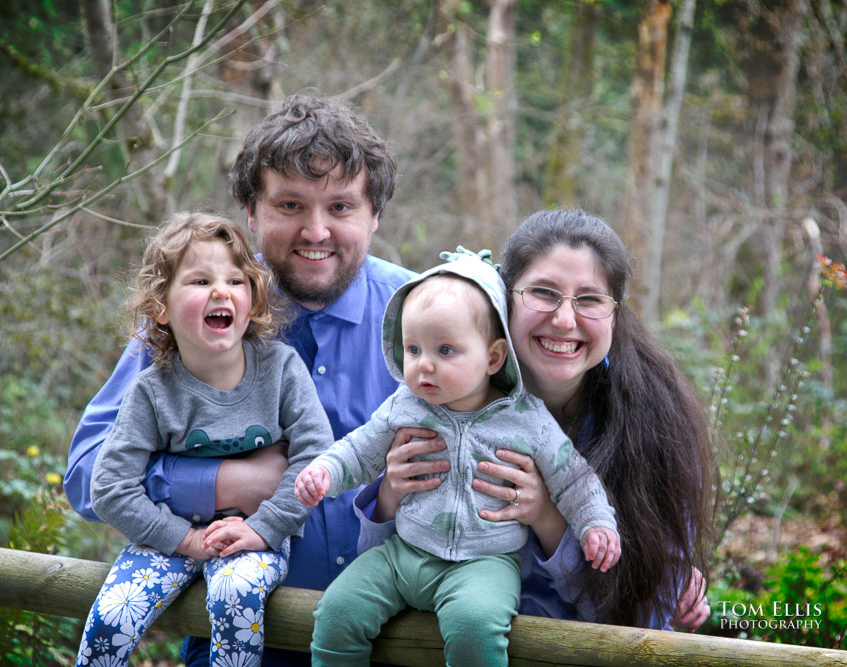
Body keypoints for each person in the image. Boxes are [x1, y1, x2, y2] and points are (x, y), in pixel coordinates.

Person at [63, 94, 414, 665]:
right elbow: (86, 474)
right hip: (239, 642)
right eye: (291, 204)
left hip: (402, 645)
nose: (316, 230)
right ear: (251, 213)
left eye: (342, 207)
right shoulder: (196, 314)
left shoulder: (426, 315)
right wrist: (226, 482)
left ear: (376, 214)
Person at [362, 209, 715, 630]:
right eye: (543, 293)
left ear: (615, 314)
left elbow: (650, 616)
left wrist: (546, 517)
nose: (565, 320)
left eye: (589, 299)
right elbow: (370, 571)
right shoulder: (434, 397)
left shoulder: (656, 423)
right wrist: (388, 497)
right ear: (503, 299)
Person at [295, 248, 620, 666]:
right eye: (413, 350)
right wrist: (325, 471)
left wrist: (596, 522)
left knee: (474, 629)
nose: (423, 367)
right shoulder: (404, 406)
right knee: (337, 612)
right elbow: (359, 449)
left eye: (444, 351)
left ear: (492, 357)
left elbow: (575, 479)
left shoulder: (526, 419)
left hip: (483, 564)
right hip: (403, 555)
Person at [74, 214, 333, 667]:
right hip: (168, 540)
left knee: (236, 595)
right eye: (199, 280)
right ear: (159, 306)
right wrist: (184, 539)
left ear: (251, 300)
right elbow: (110, 488)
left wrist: (262, 528)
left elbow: (315, 458)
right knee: (114, 614)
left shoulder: (281, 369)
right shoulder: (152, 391)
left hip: (256, 539)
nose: (221, 291)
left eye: (236, 279)